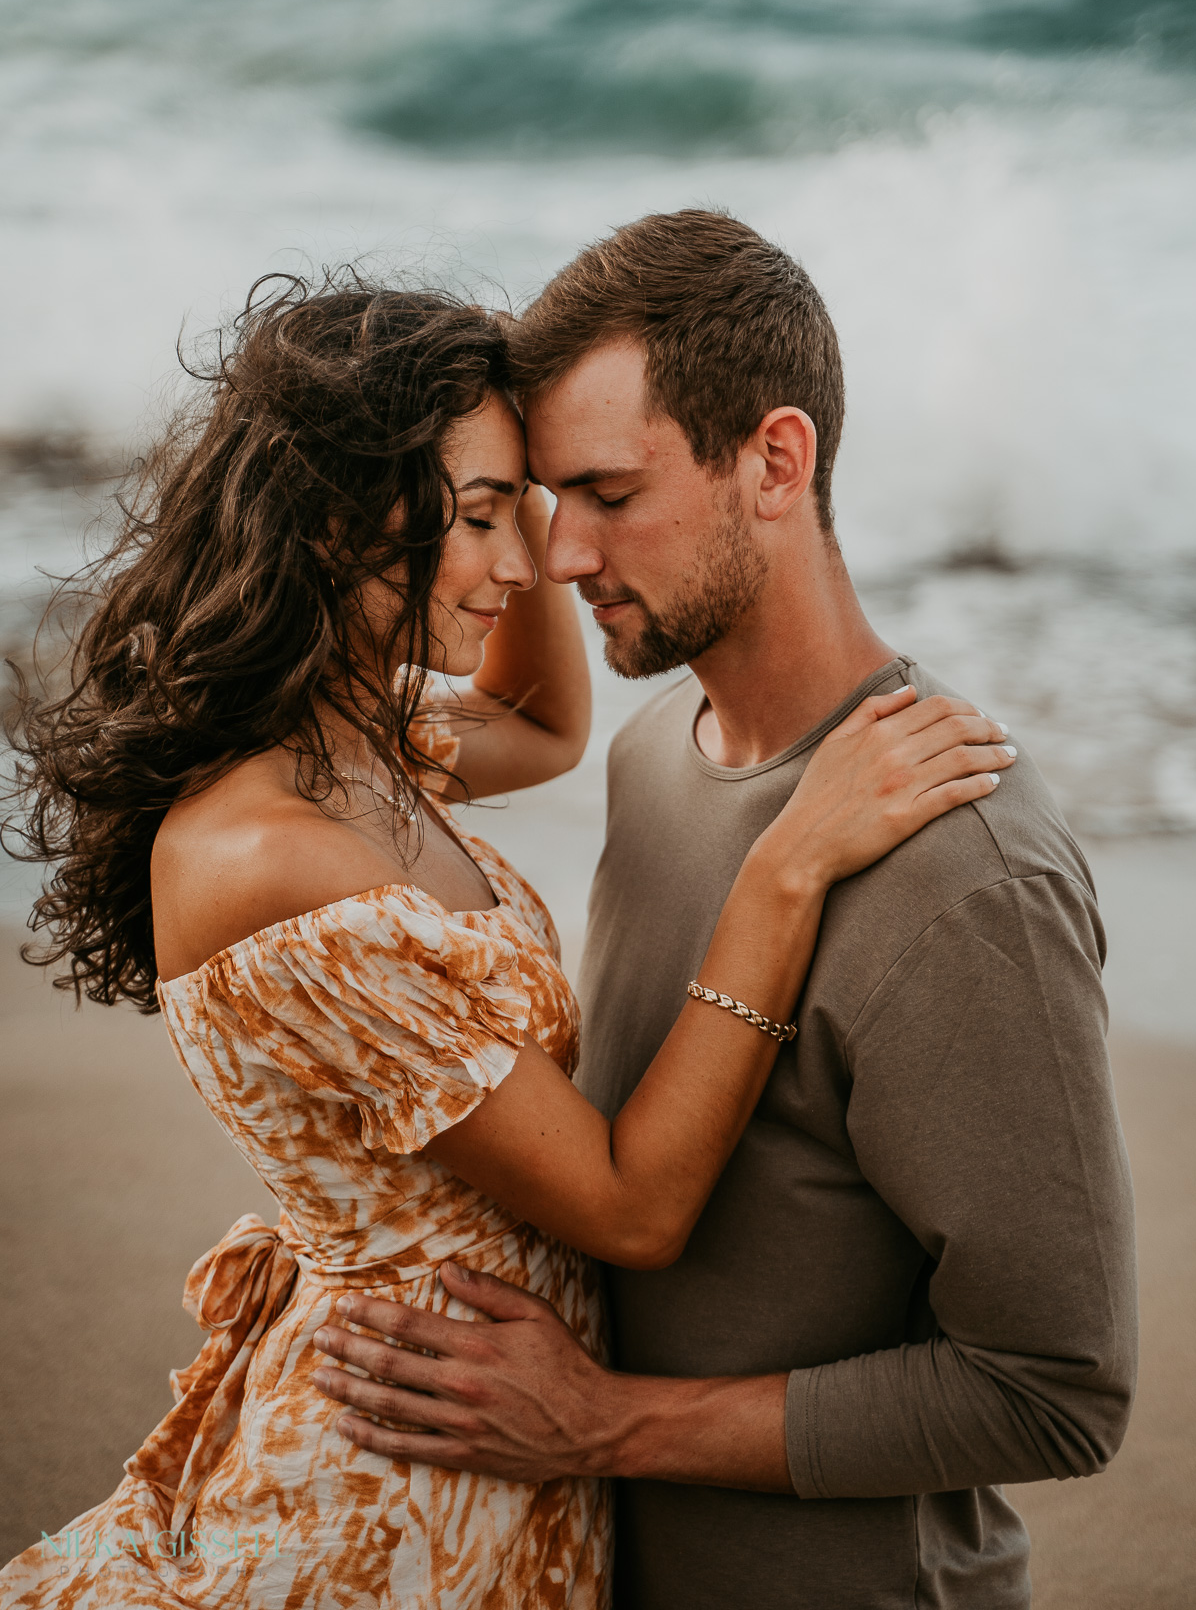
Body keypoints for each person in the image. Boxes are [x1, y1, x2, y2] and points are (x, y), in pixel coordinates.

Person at [0, 271, 1010, 1610]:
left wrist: (527, 457)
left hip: (485, 1446)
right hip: (392, 1496)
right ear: (334, 518)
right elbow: (629, 1206)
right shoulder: (277, 862)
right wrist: (787, 865)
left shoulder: (352, 745)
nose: (531, 562)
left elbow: (539, 719)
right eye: (478, 518)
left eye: (525, 509)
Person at [311, 212, 1139, 1610]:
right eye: (541, 500)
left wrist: (605, 1423)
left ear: (775, 459)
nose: (563, 558)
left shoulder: (966, 875)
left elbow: (1058, 1392)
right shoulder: (653, 756)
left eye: (609, 493)